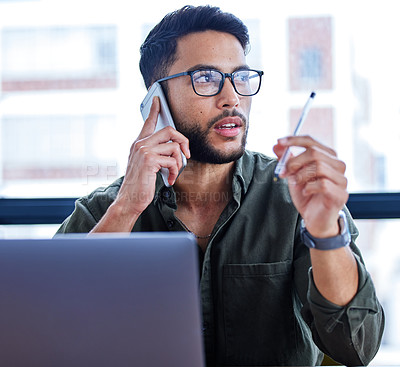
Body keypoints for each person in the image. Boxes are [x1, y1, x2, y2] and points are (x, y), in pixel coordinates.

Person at [56, 5, 384, 366]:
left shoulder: (295, 199)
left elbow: (357, 346)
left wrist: (325, 232)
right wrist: (127, 209)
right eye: (207, 78)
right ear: (156, 100)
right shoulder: (104, 212)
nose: (232, 98)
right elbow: (51, 335)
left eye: (240, 78)